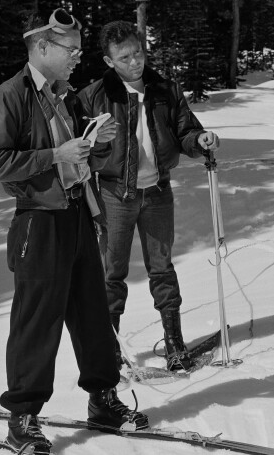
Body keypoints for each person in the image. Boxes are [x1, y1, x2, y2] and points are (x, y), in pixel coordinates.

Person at [0, 9, 148, 454]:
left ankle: (103, 400)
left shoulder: (67, 97)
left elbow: (78, 160)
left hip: (76, 213)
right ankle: (22, 417)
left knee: (92, 314)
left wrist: (98, 143)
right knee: (37, 324)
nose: (77, 57)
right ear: (41, 47)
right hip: (37, 220)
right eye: (69, 50)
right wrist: (56, 154)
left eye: (77, 50)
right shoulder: (10, 96)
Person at [78, 20, 220, 372]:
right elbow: (82, 150)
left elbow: (186, 130)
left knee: (162, 268)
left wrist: (199, 142)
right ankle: (109, 349)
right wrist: (97, 143)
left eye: (138, 52)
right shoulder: (94, 96)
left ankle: (175, 346)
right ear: (110, 61)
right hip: (114, 194)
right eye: (124, 57)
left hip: (157, 192)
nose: (134, 62)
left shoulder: (164, 89)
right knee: (111, 274)